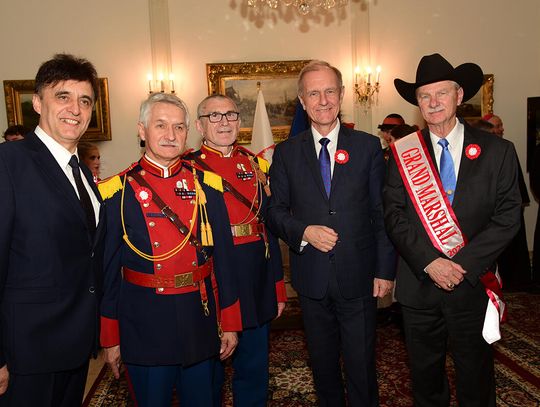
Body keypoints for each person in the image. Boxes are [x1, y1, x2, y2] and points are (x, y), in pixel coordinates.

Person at [384, 53, 521, 406]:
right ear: (417, 103)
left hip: (471, 285)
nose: (433, 102)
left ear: (459, 96)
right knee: (425, 379)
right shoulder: (402, 153)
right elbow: (394, 215)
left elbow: (508, 217)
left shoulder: (498, 151)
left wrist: (462, 265)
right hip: (419, 285)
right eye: (424, 96)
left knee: (476, 376)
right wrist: (431, 262)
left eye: (441, 93)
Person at [98, 92, 241, 407]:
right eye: (160, 125)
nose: (171, 135)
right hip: (144, 325)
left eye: (179, 127)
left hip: (199, 319)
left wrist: (230, 322)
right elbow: (108, 274)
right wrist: (111, 336)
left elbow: (225, 261)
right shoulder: (116, 193)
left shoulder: (209, 186)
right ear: (142, 130)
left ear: (188, 132)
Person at [267, 60, 396, 406]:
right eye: (313, 93)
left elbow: (381, 213)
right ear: (302, 100)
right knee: (323, 368)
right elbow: (275, 211)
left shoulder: (368, 147)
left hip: (360, 276)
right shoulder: (286, 153)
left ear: (341, 94)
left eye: (329, 91)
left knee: (362, 367)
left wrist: (385, 270)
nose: (322, 100)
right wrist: (305, 231)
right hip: (311, 279)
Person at [0, 53, 104, 406]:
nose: (75, 108)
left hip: (75, 345)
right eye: (63, 96)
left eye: (85, 100)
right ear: (37, 103)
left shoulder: (82, 172)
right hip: (26, 353)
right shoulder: (8, 163)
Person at [185, 94, 286, 406]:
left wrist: (277, 286)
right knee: (209, 367)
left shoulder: (256, 164)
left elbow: (268, 228)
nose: (224, 122)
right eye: (214, 116)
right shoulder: (188, 169)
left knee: (254, 364)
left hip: (254, 274)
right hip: (213, 275)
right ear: (200, 126)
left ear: (240, 122)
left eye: (230, 115)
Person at [478, 114, 531, 289]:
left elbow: (516, 178)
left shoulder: (506, 147)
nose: (501, 129)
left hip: (508, 206)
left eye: (501, 125)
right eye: (497, 126)